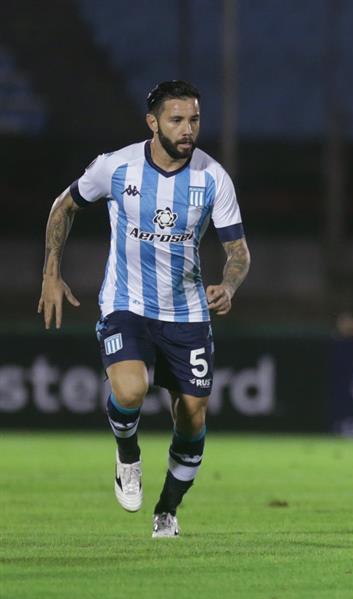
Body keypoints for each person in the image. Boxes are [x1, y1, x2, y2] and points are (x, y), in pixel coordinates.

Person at [38, 80, 251, 537]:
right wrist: (50, 272)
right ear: (153, 123)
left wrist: (229, 286)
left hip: (189, 313)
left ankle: (167, 510)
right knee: (131, 390)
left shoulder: (213, 177)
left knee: (193, 417)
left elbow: (238, 252)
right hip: (126, 303)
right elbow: (64, 205)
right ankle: (128, 457)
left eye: (194, 119)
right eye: (177, 119)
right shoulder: (117, 167)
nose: (188, 128)